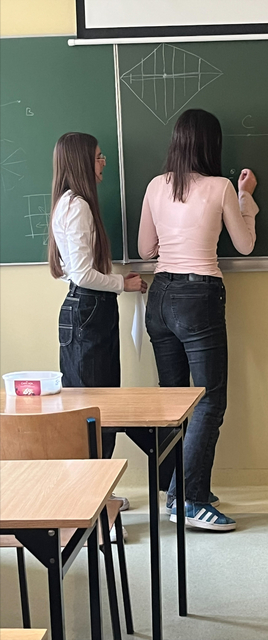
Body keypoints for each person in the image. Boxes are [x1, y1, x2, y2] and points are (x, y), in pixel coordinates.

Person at [138, 109, 259, 532]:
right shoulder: (221, 186)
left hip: (160, 295)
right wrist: (246, 199)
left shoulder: (155, 185)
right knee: (209, 399)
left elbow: (145, 247)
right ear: (212, 144)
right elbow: (245, 244)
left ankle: (179, 490)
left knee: (174, 400)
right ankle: (189, 500)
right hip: (199, 295)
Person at [48, 132, 147, 518]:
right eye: (99, 157)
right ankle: (97, 502)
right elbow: (82, 274)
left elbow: (71, 271)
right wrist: (122, 284)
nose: (104, 162)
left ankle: (99, 496)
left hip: (84, 311)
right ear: (81, 162)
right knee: (97, 410)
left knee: (94, 409)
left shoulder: (68, 204)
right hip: (89, 311)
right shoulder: (78, 207)